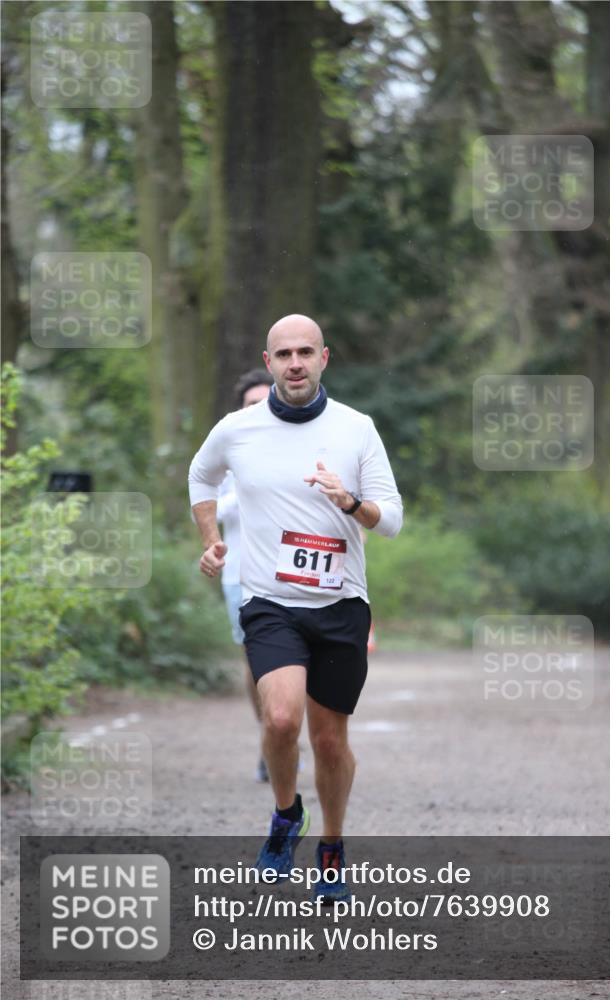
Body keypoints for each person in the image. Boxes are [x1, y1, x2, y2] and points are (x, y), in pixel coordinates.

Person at [188, 314, 402, 903]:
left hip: (340, 606)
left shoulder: (356, 429)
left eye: (306, 352)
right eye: (284, 354)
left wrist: (351, 502)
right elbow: (200, 476)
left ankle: (331, 847)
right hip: (271, 601)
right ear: (270, 359)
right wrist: (211, 539)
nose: (295, 363)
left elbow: (393, 519)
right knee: (281, 720)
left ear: (325, 358)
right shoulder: (237, 428)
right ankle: (286, 815)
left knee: (330, 741)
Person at [217, 368, 273, 782]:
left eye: (264, 402)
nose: (257, 410)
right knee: (255, 662)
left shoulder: (300, 447)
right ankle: (269, 738)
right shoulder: (224, 450)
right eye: (250, 403)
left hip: (291, 573)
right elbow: (212, 509)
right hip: (240, 573)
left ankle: (282, 731)